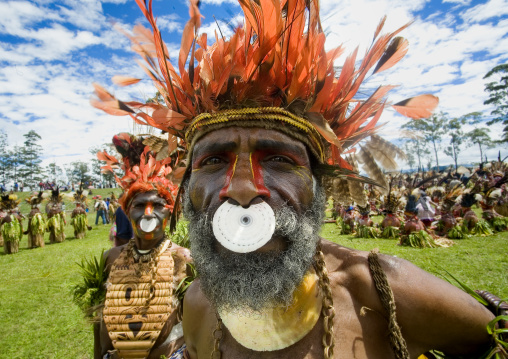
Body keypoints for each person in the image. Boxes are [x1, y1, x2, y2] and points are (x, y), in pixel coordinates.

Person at [93, 1, 503, 358]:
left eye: (278, 158)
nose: (240, 188)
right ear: (187, 191)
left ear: (317, 186)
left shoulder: (384, 293)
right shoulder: (199, 303)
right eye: (214, 160)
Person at [95, 139, 192, 359]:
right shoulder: (110, 258)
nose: (148, 213)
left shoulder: (183, 257)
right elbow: (101, 324)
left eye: (158, 206)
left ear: (171, 214)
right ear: (127, 212)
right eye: (139, 205)